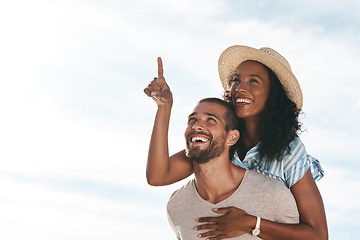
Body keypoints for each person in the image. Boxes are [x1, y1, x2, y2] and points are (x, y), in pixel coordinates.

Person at [144, 45, 328, 239]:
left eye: (253, 81)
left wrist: (251, 224)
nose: (240, 88)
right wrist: (164, 108)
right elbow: (158, 176)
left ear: (273, 94)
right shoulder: (221, 140)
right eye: (236, 80)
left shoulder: (288, 151)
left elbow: (318, 235)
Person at [166, 98, 299, 239]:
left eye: (211, 120)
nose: (196, 126)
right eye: (192, 120)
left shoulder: (273, 194)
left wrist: (255, 224)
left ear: (232, 137)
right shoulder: (176, 205)